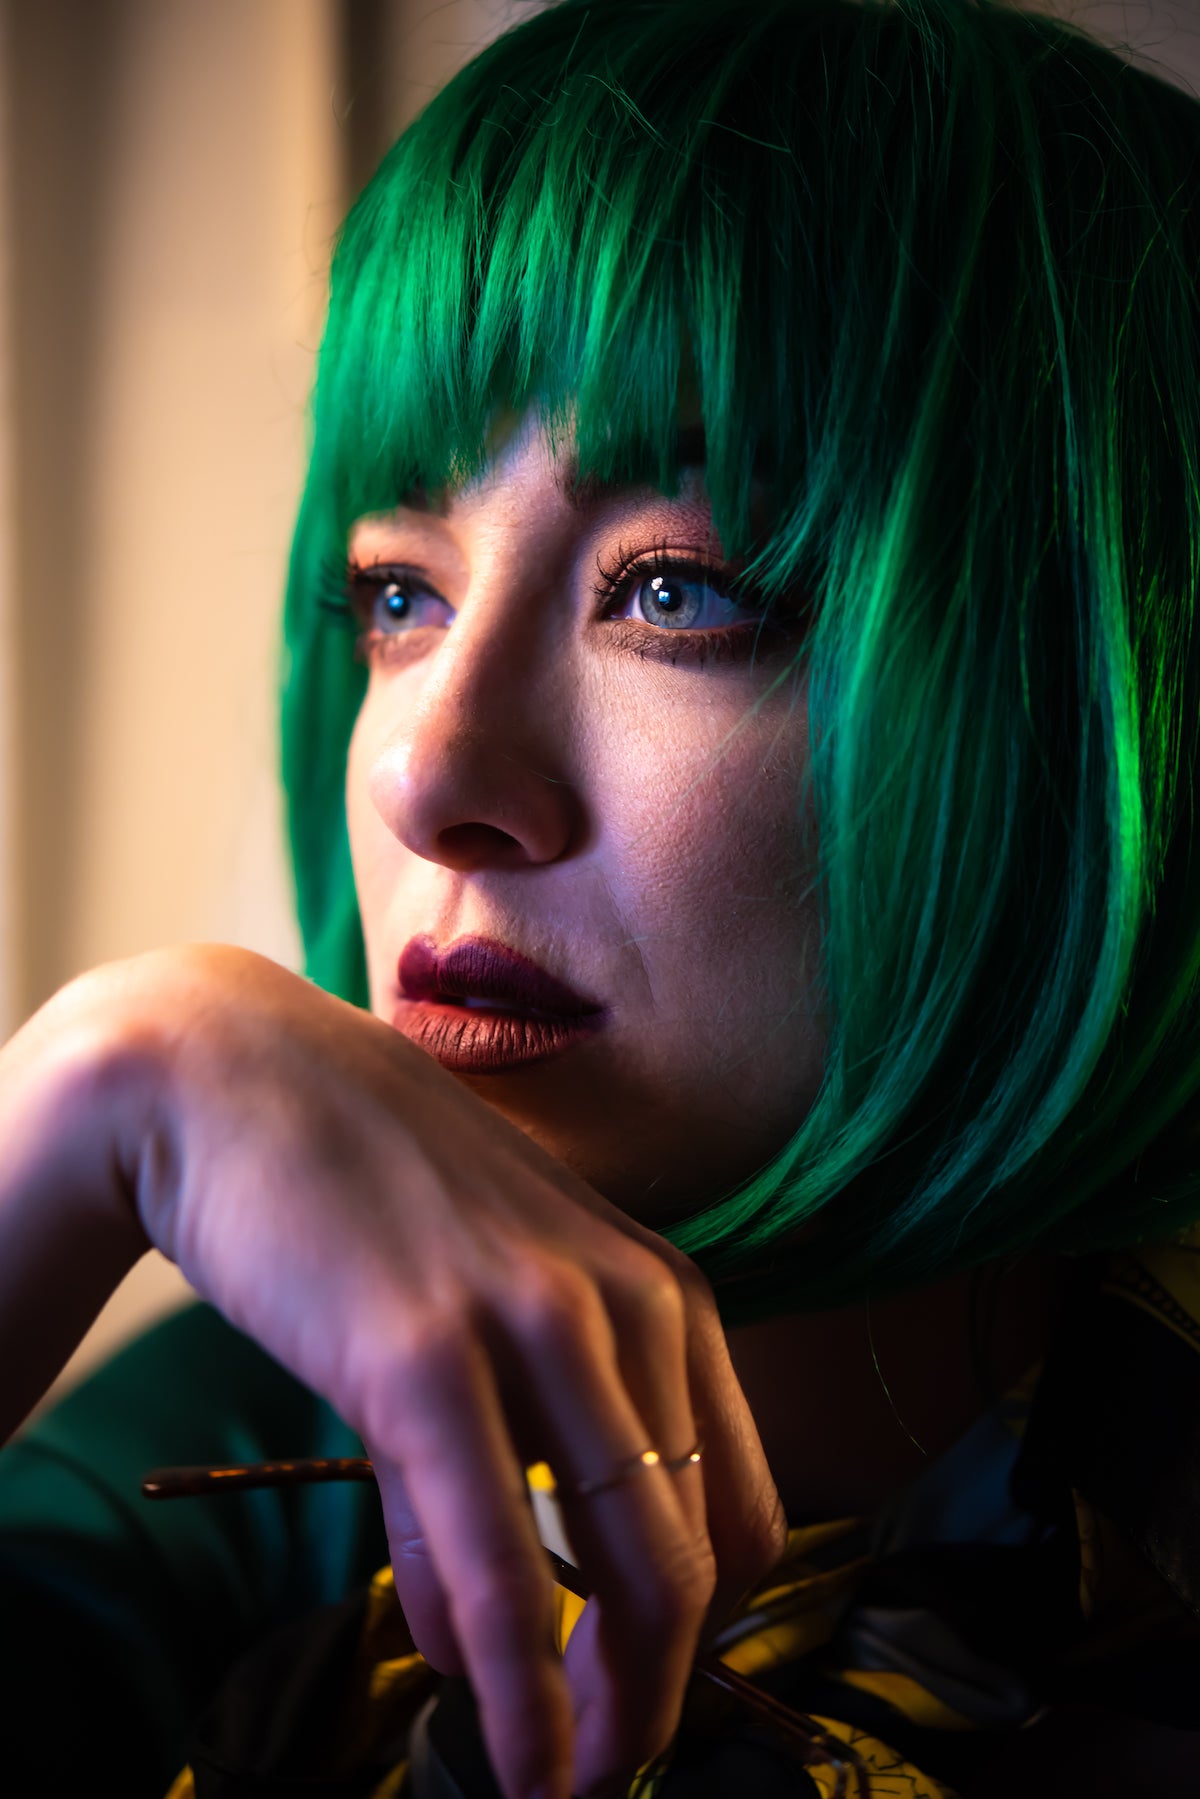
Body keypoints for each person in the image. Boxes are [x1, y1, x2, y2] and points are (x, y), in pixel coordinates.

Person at [2, 0, 1199, 1793]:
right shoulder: (224, 1480)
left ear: (1089, 701)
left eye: (674, 594)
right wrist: (80, 1104)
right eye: (398, 594)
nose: (427, 772)